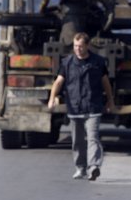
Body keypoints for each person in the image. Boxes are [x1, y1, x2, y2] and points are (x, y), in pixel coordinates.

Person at [47, 32, 116, 180]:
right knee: (77, 141)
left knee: (93, 138)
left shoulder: (98, 62)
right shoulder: (67, 62)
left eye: (80, 46)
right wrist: (52, 98)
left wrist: (110, 101)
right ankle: (80, 168)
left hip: (93, 106)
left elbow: (106, 83)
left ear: (87, 46)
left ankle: (94, 167)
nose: (77, 49)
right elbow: (58, 82)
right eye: (75, 46)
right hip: (75, 107)